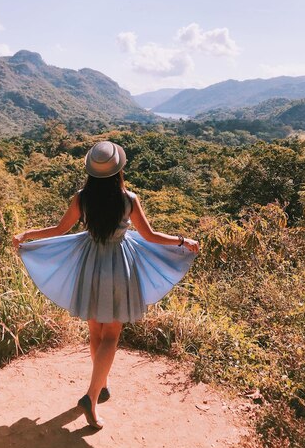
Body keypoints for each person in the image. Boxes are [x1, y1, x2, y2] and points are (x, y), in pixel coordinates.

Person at [12, 140, 199, 430]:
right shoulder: (128, 199)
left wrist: (28, 234)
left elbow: (60, 229)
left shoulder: (82, 198)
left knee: (95, 330)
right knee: (111, 334)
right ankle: (91, 396)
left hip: (90, 263)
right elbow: (149, 236)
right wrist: (182, 241)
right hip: (118, 265)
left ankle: (102, 384)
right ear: (118, 170)